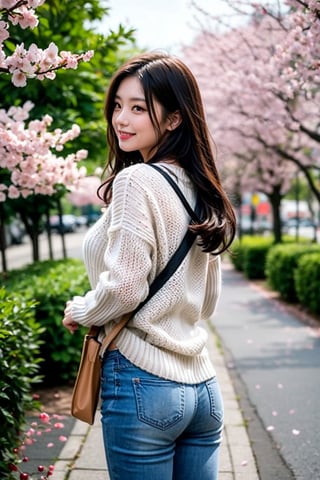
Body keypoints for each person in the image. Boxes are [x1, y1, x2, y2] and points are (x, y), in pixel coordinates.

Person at [62, 52, 236, 480]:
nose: (122, 118)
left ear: (174, 119)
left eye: (138, 108)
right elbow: (207, 301)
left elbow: (123, 291)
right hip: (203, 390)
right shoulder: (203, 187)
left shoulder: (136, 180)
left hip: (143, 383)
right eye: (118, 105)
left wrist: (82, 310)